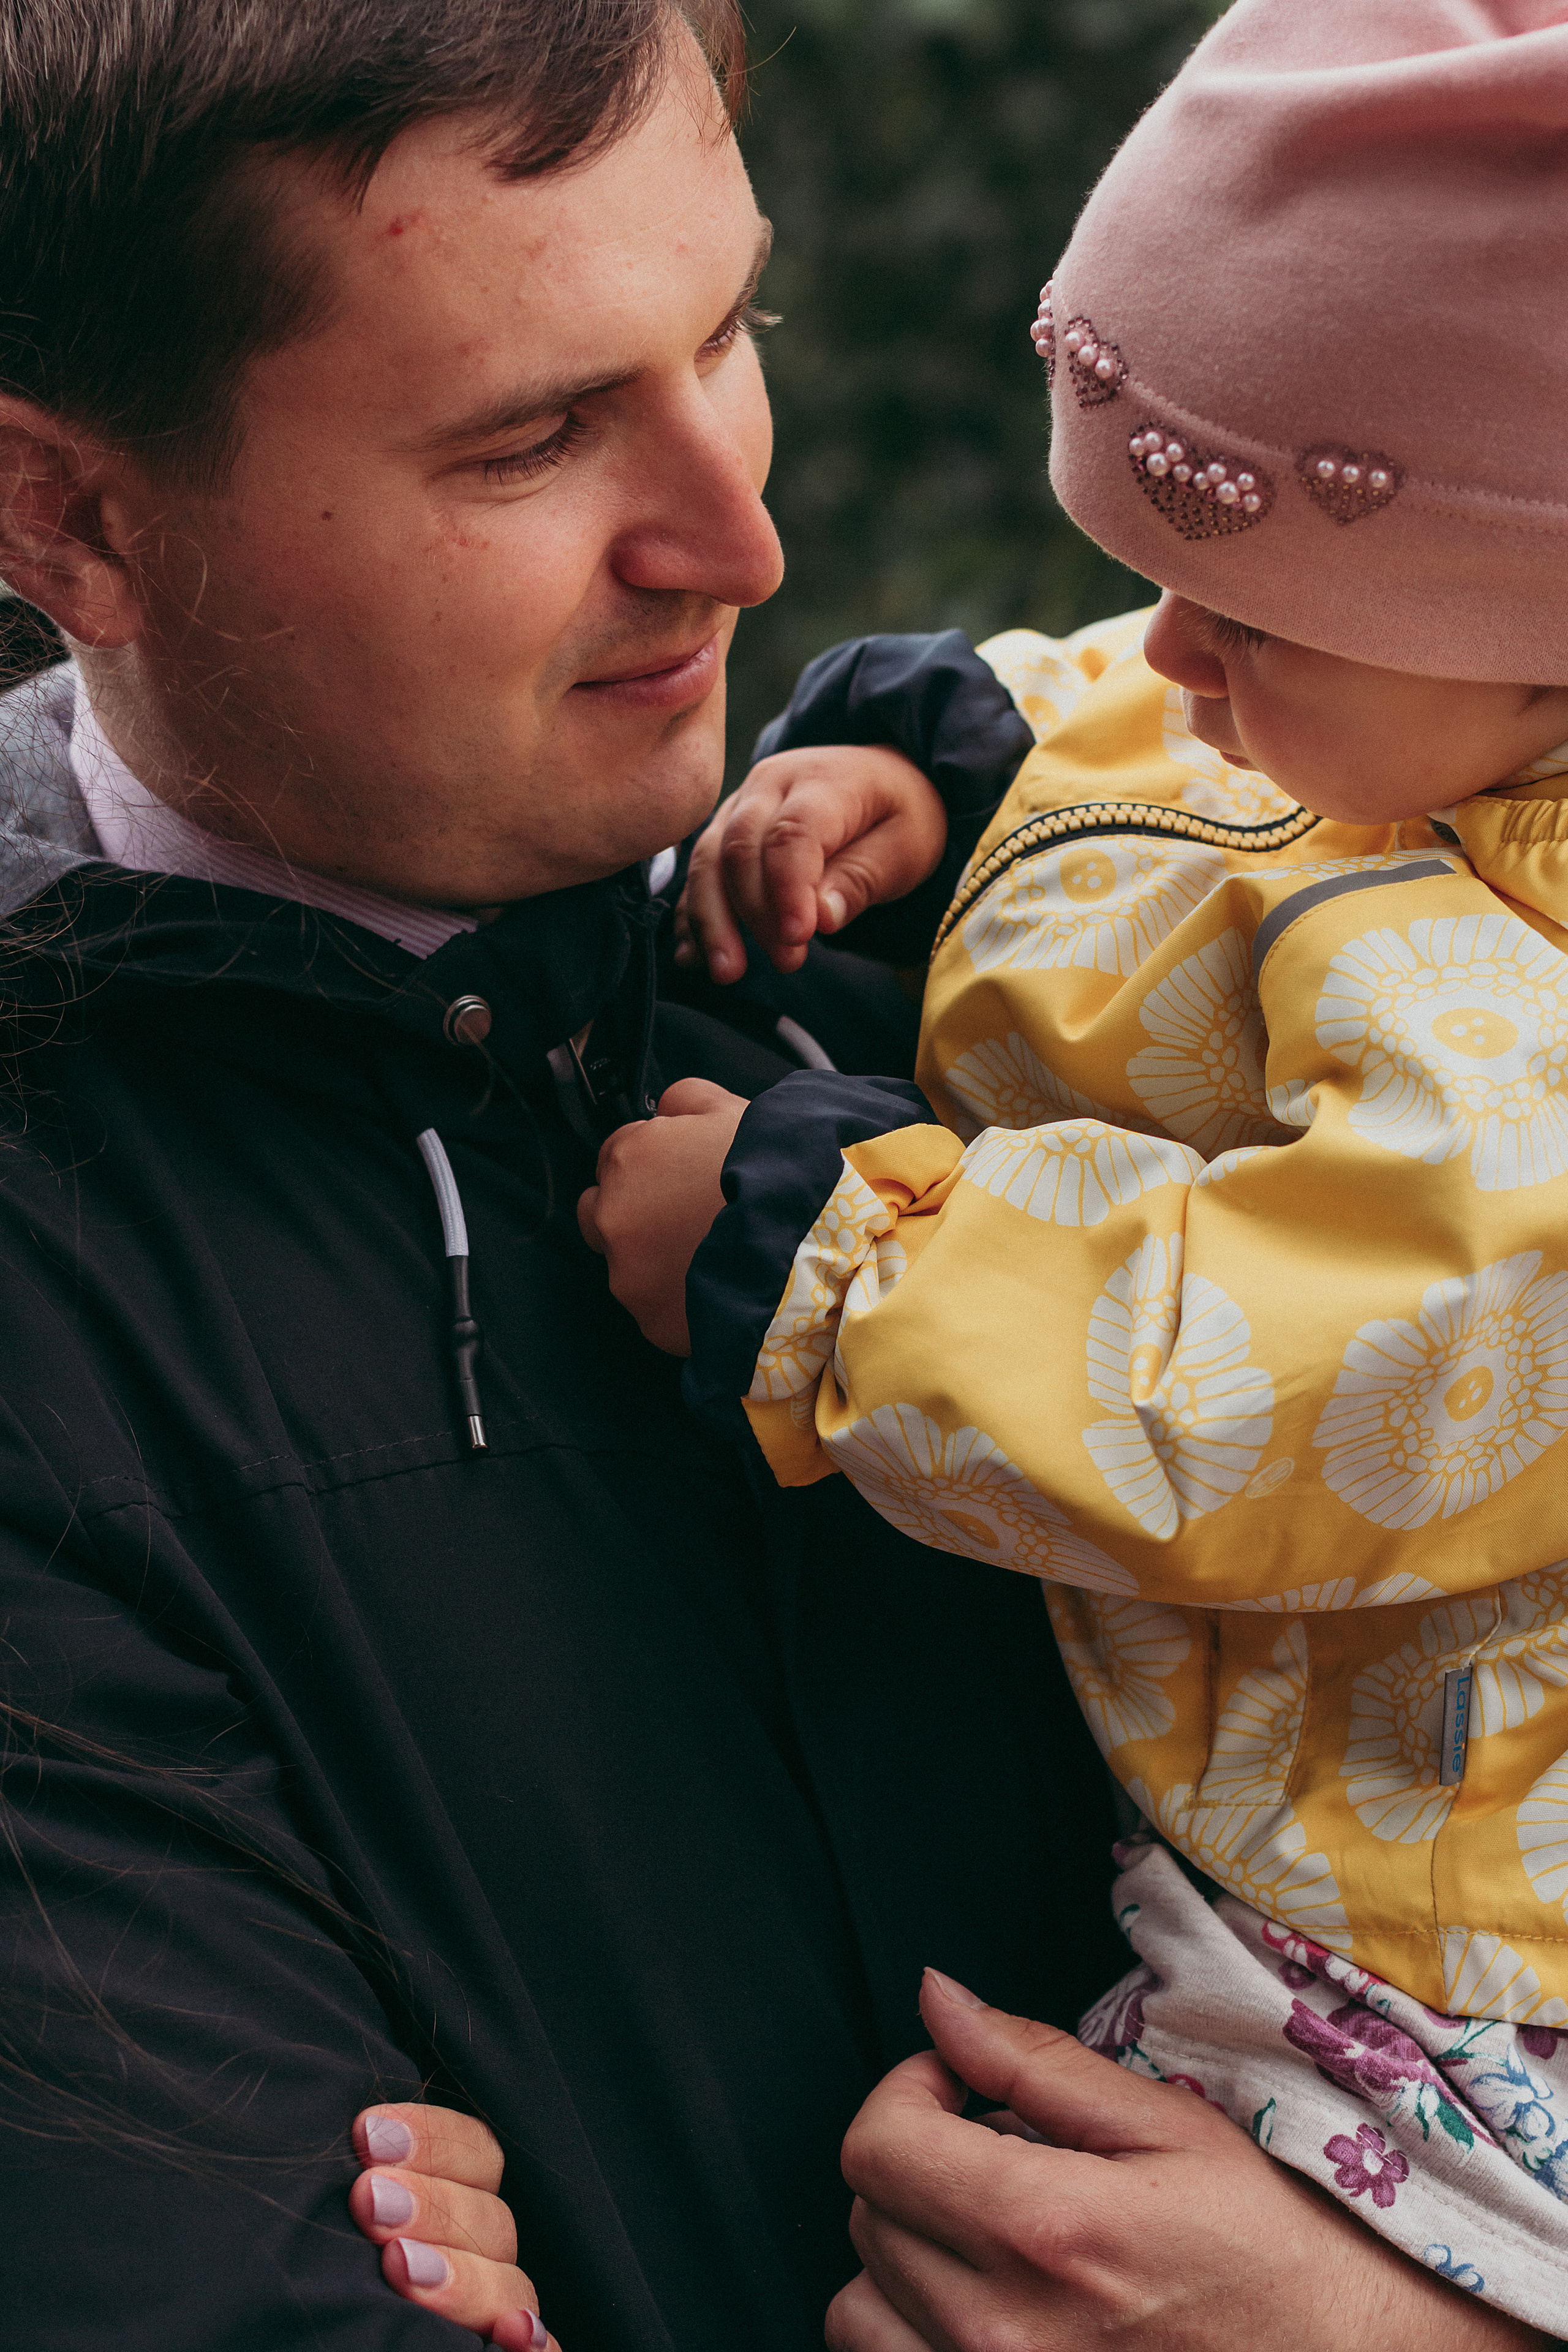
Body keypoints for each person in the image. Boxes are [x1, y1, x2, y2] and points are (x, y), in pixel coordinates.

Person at [0, 5, 1128, 2346]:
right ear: (73, 516)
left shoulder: (1037, 975)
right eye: (526, 441)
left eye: (735, 330)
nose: (742, 537)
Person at [565, 0, 1568, 2343]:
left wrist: (829, 1268)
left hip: (1430, 1976)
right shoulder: (1381, 714)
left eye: (1245, 614)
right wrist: (976, 778)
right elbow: (1196, 755)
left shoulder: (1533, 1074)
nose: (1173, 651)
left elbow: (1299, 1371)